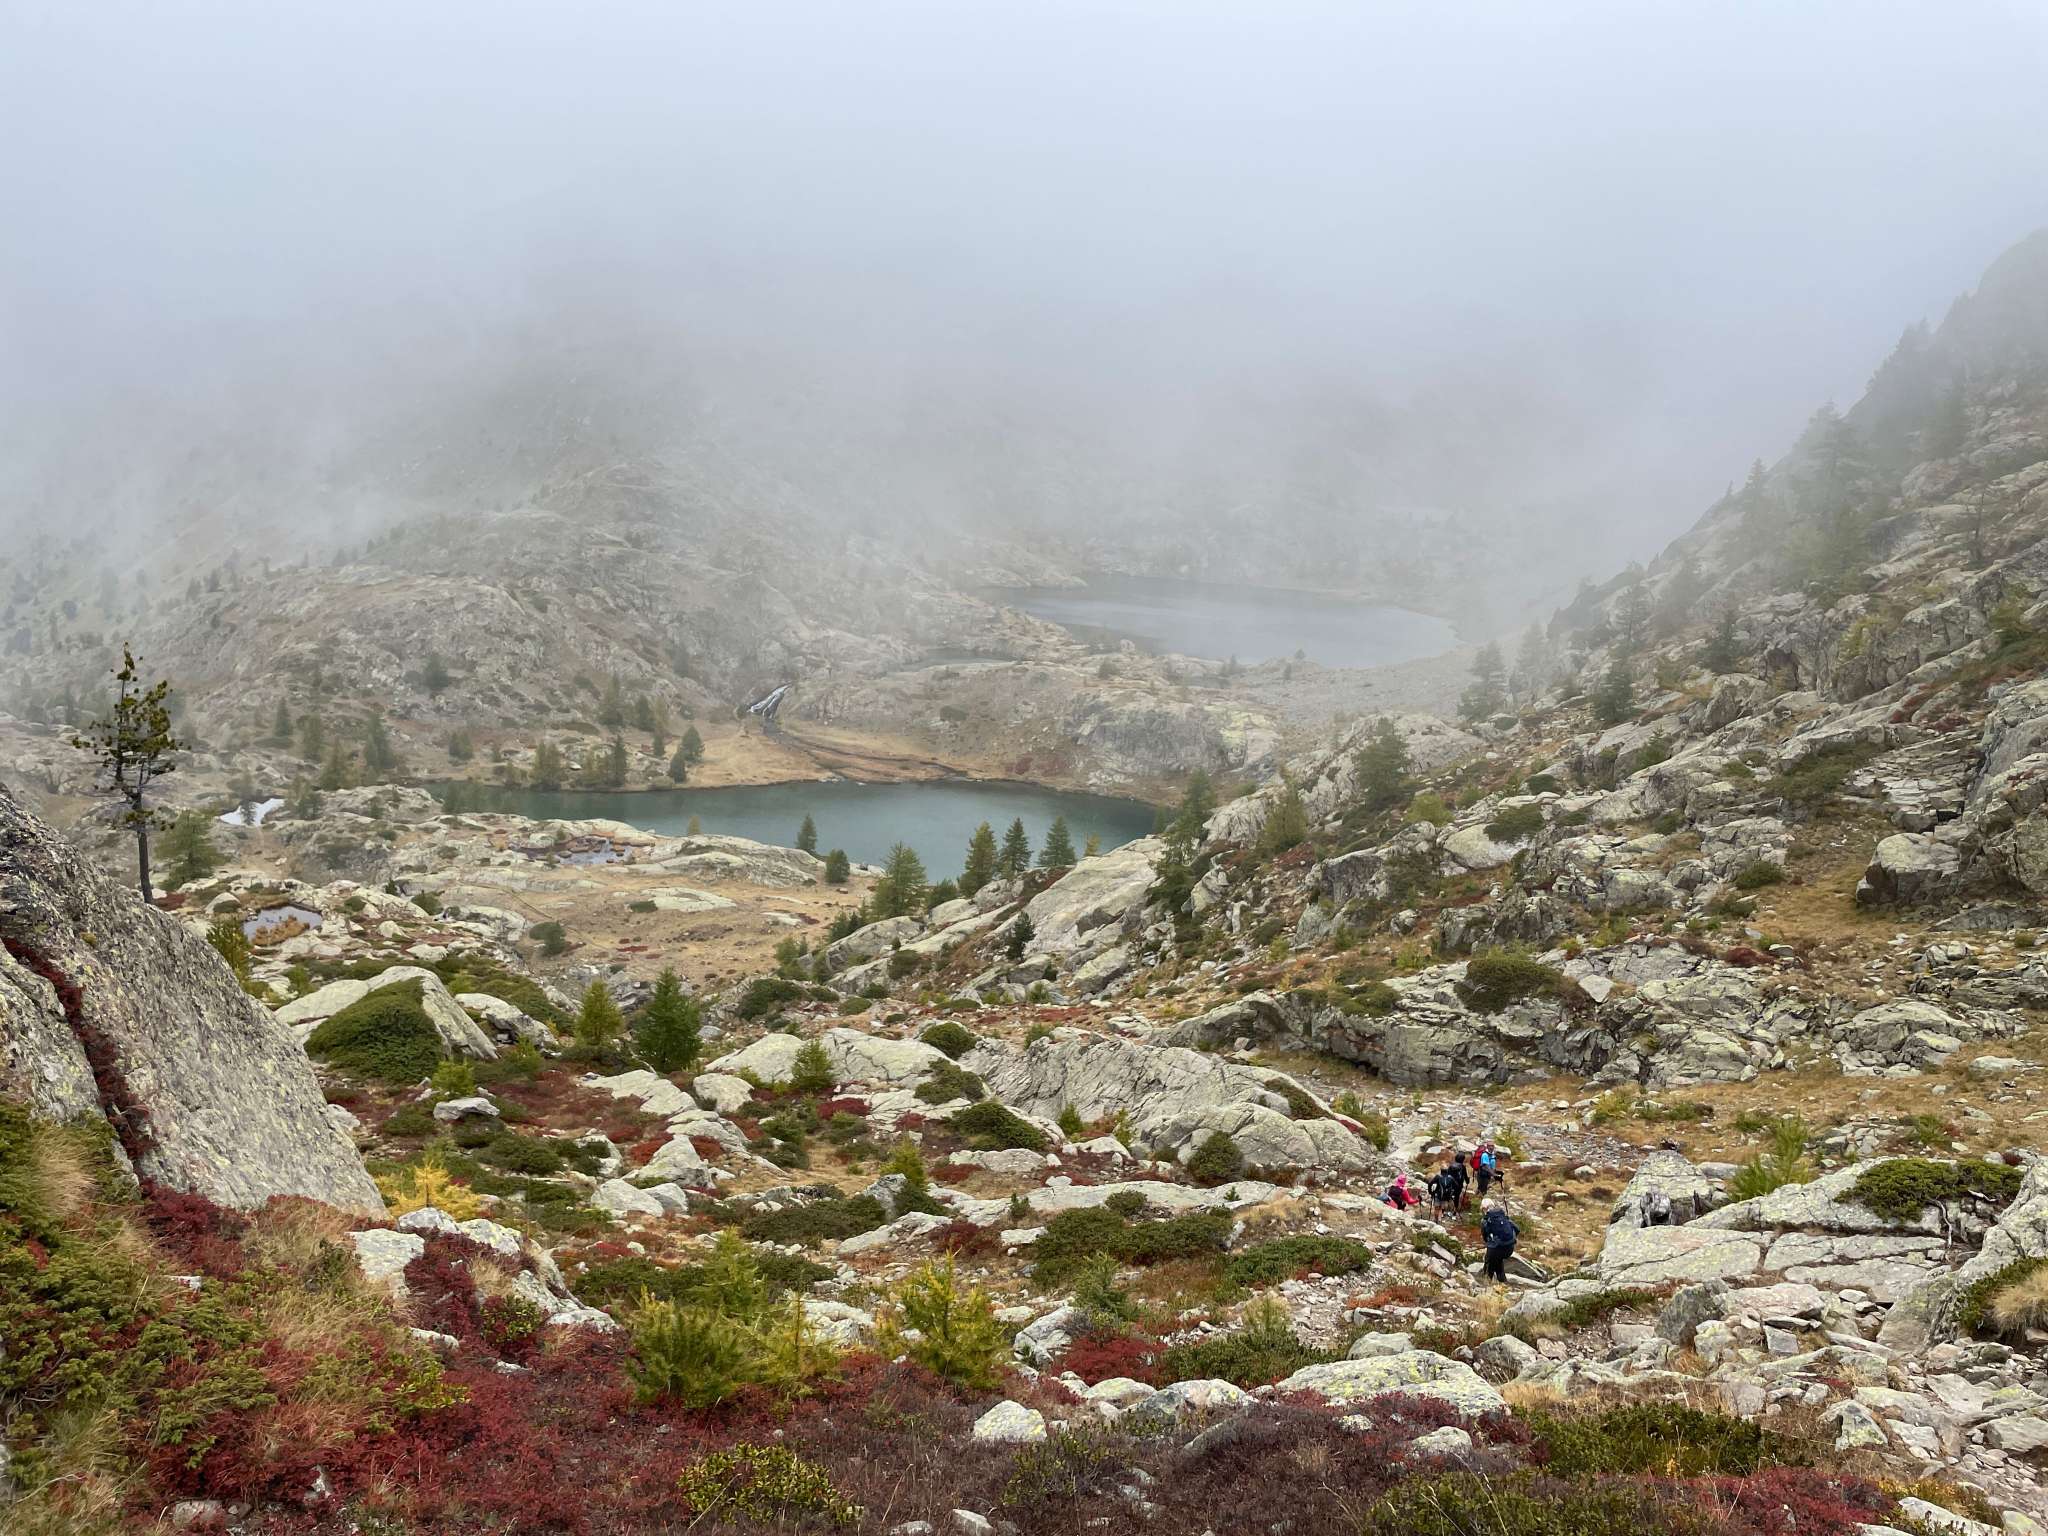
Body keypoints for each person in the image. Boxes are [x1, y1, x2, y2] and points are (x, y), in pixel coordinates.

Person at [1481, 1200, 1518, 1283]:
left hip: (1496, 1249)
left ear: (1484, 1209)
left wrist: (1491, 1242)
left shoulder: (1485, 1220)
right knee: (1498, 1261)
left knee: (1489, 1262)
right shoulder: (1503, 1216)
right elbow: (1517, 1229)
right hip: (1509, 1248)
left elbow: (1485, 1237)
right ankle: (1502, 1282)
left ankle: (1486, 1283)